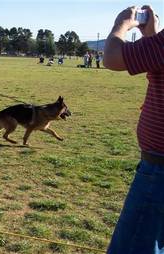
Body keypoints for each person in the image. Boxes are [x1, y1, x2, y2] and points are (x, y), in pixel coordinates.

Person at [104, 6, 164, 254]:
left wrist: (122, 24)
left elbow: (112, 58)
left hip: (159, 171)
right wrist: (153, 36)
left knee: (132, 247)